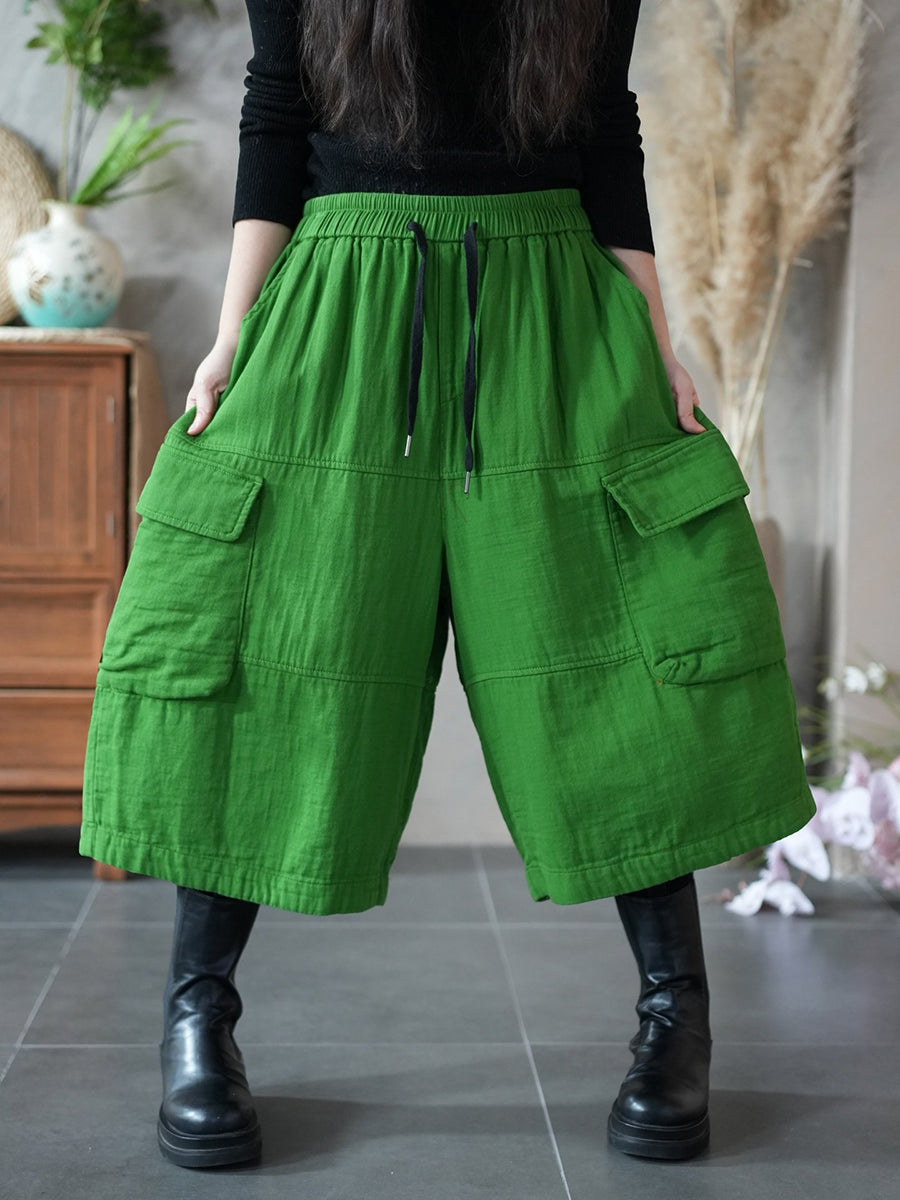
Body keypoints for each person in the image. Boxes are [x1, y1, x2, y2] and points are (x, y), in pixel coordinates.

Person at [78, 0, 817, 1172]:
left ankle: (676, 1015)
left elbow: (603, 127)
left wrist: (655, 337)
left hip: (555, 310)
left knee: (627, 661)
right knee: (265, 651)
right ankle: (197, 1016)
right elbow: (278, 113)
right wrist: (232, 337)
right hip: (339, 302)